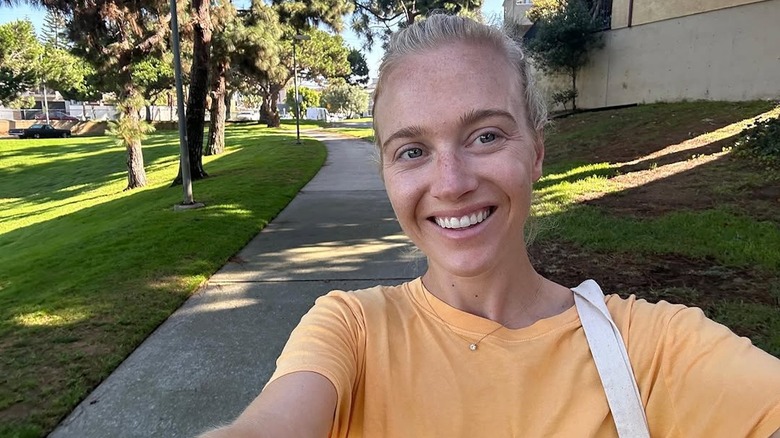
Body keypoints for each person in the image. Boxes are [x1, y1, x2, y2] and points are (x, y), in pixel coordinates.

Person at [199, 14, 780, 438]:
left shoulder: (653, 349)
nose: (451, 183)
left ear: (536, 152)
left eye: (485, 136)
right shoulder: (351, 331)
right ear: (386, 173)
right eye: (412, 151)